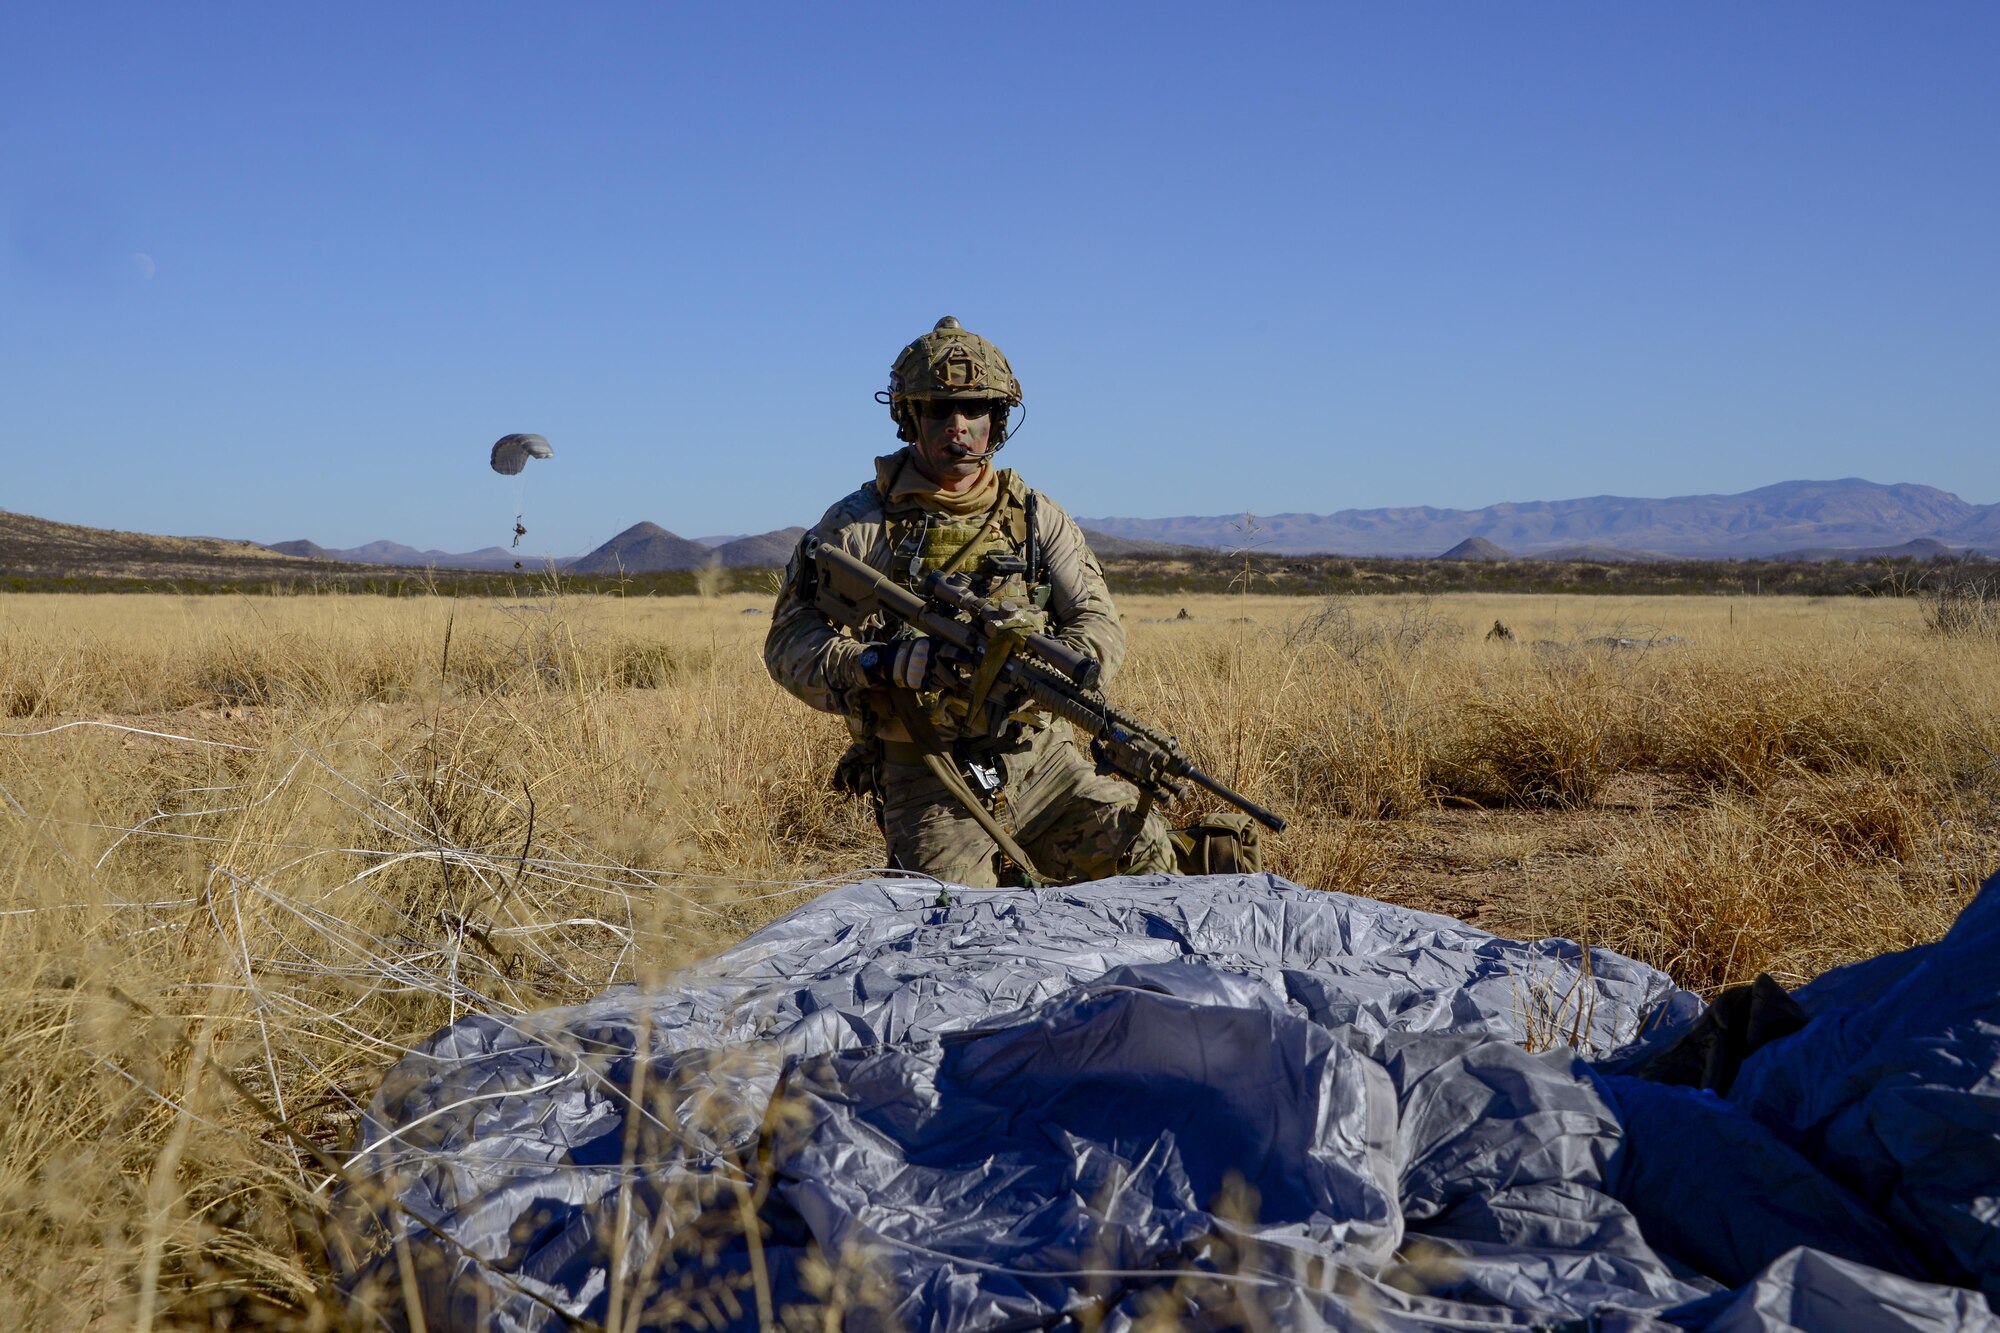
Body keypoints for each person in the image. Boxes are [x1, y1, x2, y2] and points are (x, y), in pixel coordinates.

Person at [764, 316, 1178, 887]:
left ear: (997, 418)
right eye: (938, 409)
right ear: (909, 417)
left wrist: (1056, 667)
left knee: (1144, 853)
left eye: (975, 408)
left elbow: (1097, 620)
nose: (957, 426)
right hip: (930, 770)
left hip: (1041, 759)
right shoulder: (860, 526)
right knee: (953, 925)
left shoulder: (1033, 517)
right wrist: (879, 664)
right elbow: (788, 642)